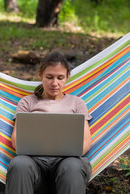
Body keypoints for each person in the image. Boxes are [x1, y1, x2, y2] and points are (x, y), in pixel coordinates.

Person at [6, 51, 92, 194]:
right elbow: (16, 140)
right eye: (49, 77)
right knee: (19, 164)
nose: (54, 83)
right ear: (40, 75)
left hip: (67, 165)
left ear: (67, 77)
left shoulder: (77, 103)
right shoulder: (27, 102)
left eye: (60, 78)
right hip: (34, 166)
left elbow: (86, 141)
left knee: (72, 166)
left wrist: (68, 152)